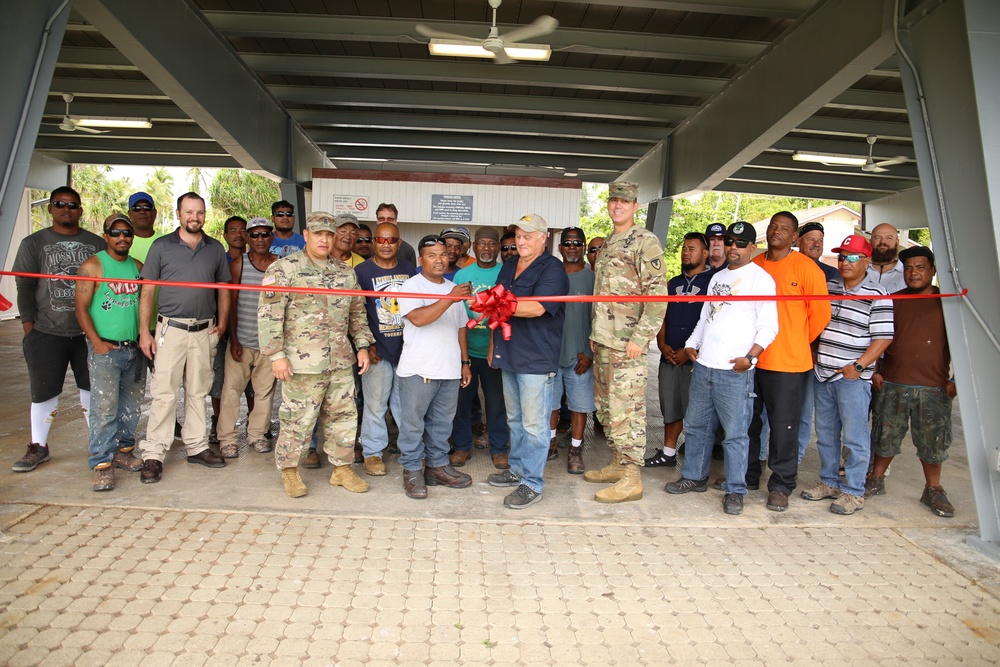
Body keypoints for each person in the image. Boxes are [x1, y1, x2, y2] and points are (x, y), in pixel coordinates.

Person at [664, 222, 778, 515]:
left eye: (740, 244)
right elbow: (706, 316)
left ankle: (736, 489)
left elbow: (769, 327)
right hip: (704, 365)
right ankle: (694, 476)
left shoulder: (761, 280)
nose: (733, 248)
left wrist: (750, 359)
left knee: (736, 434)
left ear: (753, 247)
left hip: (735, 370)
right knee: (697, 427)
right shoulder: (716, 278)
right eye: (729, 242)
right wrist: (692, 344)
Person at [258, 211, 375, 498]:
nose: (324, 239)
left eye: (329, 234)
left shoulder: (345, 273)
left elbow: (358, 313)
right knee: (298, 420)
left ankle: (342, 469)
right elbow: (269, 315)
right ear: (307, 235)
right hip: (301, 362)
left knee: (344, 417)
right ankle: (289, 471)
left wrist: (362, 346)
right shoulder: (284, 269)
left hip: (339, 360)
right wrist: (276, 356)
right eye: (318, 234)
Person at [137, 192, 230, 483]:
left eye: (200, 212)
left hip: (205, 330)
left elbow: (224, 289)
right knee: (164, 393)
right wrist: (145, 332)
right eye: (189, 212)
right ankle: (153, 454)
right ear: (178, 214)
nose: (195, 217)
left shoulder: (215, 248)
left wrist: (223, 323)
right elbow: (148, 291)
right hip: (170, 330)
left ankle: (197, 446)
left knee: (198, 391)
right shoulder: (161, 246)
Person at [12, 186, 104, 472]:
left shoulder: (96, 243)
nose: (67, 209)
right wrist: (30, 327)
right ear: (51, 208)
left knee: (92, 390)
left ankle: (98, 446)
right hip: (47, 331)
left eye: (73, 205)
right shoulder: (33, 243)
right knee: (43, 392)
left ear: (80, 210)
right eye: (60, 204)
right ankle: (39, 446)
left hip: (88, 333)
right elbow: (25, 286)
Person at [585, 182, 668, 504]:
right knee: (607, 409)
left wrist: (641, 338)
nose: (618, 205)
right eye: (614, 200)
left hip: (627, 344)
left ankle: (633, 477)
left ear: (635, 206)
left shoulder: (645, 241)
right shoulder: (608, 242)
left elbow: (657, 296)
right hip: (605, 341)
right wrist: (596, 335)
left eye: (625, 201)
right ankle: (619, 463)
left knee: (627, 411)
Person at [745, 211, 831, 513]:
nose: (777, 232)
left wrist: (794, 339)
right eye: (773, 227)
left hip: (789, 363)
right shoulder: (753, 264)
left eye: (785, 229)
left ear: (795, 237)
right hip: (751, 360)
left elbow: (821, 315)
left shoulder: (807, 269)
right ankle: (748, 475)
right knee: (748, 423)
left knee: (784, 428)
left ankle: (781, 485)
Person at [801, 234, 893, 515]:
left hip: (852, 378)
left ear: (866, 261)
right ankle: (829, 482)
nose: (845, 262)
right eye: (842, 256)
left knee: (854, 437)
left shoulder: (877, 294)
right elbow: (815, 321)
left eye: (853, 257)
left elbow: (884, 338)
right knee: (826, 435)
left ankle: (853, 491)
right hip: (823, 374)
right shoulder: (828, 287)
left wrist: (860, 367)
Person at [868, 246, 956, 517]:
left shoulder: (948, 302)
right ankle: (876, 479)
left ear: (932, 270)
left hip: (933, 386)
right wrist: (876, 369)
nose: (913, 272)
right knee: (885, 436)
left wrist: (956, 380)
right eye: (908, 268)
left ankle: (933, 489)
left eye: (920, 267)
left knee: (933, 442)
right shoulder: (893, 300)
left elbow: (965, 345)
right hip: (893, 383)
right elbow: (876, 335)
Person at [487, 214, 568, 509]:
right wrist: (493, 345)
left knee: (535, 425)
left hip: (536, 358)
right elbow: (495, 308)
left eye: (528, 236)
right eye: (519, 236)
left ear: (543, 238)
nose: (521, 241)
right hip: (509, 353)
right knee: (515, 419)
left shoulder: (553, 269)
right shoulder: (509, 266)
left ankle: (532, 483)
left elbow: (536, 308)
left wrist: (497, 303)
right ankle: (518, 469)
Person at [395, 236, 473, 499]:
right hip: (419, 369)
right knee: (413, 424)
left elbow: (461, 327)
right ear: (421, 259)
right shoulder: (410, 286)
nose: (439, 259)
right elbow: (418, 319)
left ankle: (437, 467)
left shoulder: (454, 288)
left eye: (442, 254)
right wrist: (449, 298)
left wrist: (464, 362)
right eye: (432, 255)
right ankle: (413, 469)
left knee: (442, 424)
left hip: (449, 369)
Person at [74, 213, 144, 491]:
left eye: (126, 232)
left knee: (131, 407)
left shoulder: (137, 267)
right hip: (105, 347)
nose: (122, 237)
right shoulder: (93, 266)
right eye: (115, 232)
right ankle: (102, 463)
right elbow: (80, 308)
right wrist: (97, 343)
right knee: (104, 408)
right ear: (105, 236)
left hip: (133, 348)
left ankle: (124, 453)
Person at [646, 232, 715, 468]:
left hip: (696, 359)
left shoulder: (713, 281)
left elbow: (712, 320)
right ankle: (668, 452)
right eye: (684, 248)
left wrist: (689, 350)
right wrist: (662, 344)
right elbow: (661, 314)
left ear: (705, 253)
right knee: (670, 406)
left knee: (697, 413)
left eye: (692, 248)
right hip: (670, 356)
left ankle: (697, 463)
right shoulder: (673, 283)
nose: (687, 252)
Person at [354, 221, 416, 476]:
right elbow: (356, 312)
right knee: (375, 405)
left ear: (399, 243)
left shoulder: (410, 270)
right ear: (374, 242)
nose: (386, 245)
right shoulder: (361, 271)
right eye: (381, 240)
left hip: (406, 349)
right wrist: (367, 345)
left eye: (391, 240)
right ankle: (373, 453)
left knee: (405, 406)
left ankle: (410, 452)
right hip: (376, 350)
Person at [216, 217, 279, 459]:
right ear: (248, 238)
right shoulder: (238, 265)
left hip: (269, 344)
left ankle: (257, 435)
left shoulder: (279, 266)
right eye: (255, 235)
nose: (260, 239)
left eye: (265, 234)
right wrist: (234, 339)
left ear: (271, 237)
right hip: (242, 340)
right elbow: (231, 304)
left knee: (264, 393)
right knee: (231, 391)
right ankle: (227, 439)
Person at [450, 227, 510, 469]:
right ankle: (462, 447)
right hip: (466, 351)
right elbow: (455, 315)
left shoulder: (506, 273)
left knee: (496, 403)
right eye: (482, 244)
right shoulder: (462, 275)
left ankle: (499, 449)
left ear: (497, 248)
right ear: (474, 246)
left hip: (494, 351)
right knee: (462, 401)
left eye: (491, 244)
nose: (487, 248)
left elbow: (507, 312)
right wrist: (461, 356)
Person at [549, 227, 595, 475]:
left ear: (584, 247)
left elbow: (599, 320)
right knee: (550, 405)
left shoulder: (593, 279)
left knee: (579, 406)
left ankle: (576, 450)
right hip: (551, 354)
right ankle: (551, 443)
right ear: (560, 247)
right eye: (567, 243)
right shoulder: (551, 276)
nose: (572, 247)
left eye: (578, 243)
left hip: (580, 357)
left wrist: (589, 353)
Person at [795, 221, 840, 464]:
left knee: (805, 409)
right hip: (788, 348)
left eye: (820, 240)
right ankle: (761, 456)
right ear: (797, 240)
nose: (816, 243)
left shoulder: (831, 275)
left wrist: (811, 345)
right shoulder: (787, 267)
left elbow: (824, 316)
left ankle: (797, 455)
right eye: (810, 238)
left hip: (817, 353)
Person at [210, 215, 250, 442]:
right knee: (219, 382)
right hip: (219, 331)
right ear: (225, 235)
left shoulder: (255, 260)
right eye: (233, 230)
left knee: (251, 385)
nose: (238, 234)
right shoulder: (218, 261)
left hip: (247, 331)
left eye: (243, 230)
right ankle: (218, 422)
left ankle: (254, 424)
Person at [867, 223, 906, 294]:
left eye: (889, 238)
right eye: (877, 238)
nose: (883, 241)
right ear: (870, 242)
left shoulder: (906, 272)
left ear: (897, 243)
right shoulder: (859, 268)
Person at [126, 191, 163, 263]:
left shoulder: (167, 241)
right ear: (129, 214)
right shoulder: (122, 243)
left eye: (147, 207)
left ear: (155, 213)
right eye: (136, 208)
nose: (142, 211)